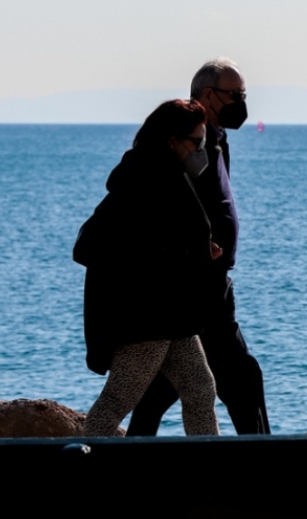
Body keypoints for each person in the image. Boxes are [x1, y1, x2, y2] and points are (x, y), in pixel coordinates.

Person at [126, 57, 271, 436]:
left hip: (213, 282)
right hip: (196, 285)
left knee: (163, 388)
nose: (241, 101)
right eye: (235, 94)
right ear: (208, 94)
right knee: (241, 380)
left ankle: (129, 462)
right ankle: (268, 471)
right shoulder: (184, 143)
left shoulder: (217, 141)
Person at [74, 99, 221, 437]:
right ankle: (81, 478)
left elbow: (169, 239)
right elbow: (104, 245)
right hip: (147, 317)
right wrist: (187, 254)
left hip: (172, 314)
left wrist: (198, 251)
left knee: (200, 391)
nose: (202, 151)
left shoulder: (163, 176)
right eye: (196, 143)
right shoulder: (145, 181)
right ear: (172, 141)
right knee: (114, 404)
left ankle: (211, 477)